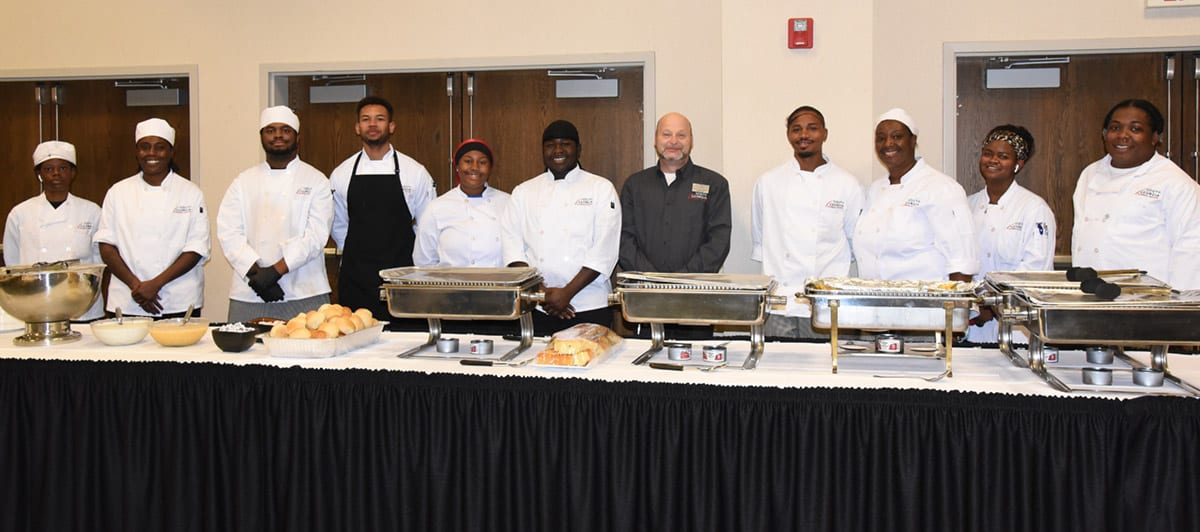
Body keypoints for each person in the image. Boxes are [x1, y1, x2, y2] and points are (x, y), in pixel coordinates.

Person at [751, 106, 865, 339]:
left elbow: (856, 245)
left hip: (826, 302)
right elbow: (761, 239)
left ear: (825, 133)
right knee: (778, 369)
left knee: (824, 369)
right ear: (789, 136)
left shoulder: (847, 184)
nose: (804, 135)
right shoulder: (768, 183)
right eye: (797, 129)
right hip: (780, 300)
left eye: (812, 128)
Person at [501, 120, 620, 335]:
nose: (558, 150)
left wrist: (566, 294)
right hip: (537, 306)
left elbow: (604, 250)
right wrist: (543, 294)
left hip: (588, 304)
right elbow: (512, 247)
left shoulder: (601, 188)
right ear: (543, 151)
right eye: (550, 145)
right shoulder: (523, 192)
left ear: (578, 149)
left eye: (565, 144)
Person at [217, 106, 334, 323]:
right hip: (249, 293)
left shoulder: (316, 180)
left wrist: (275, 272)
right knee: (244, 355)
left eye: (285, 130)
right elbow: (228, 232)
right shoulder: (243, 181)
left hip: (305, 290)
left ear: (297, 137)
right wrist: (257, 276)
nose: (278, 135)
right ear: (261, 136)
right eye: (270, 130)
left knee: (309, 351)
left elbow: (316, 236)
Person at [1073, 99, 1200, 290]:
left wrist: (1180, 309)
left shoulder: (1175, 183)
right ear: (1105, 135)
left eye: (1135, 129)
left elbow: (1191, 252)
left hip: (1148, 302)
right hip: (1091, 295)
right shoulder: (1090, 173)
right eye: (1115, 128)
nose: (1123, 136)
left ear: (1155, 137)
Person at [330, 96, 436, 323]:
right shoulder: (341, 173)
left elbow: (427, 226)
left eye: (379, 119)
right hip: (356, 276)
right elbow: (338, 224)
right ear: (357, 128)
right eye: (366, 119)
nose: (372, 124)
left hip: (401, 276)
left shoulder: (415, 172)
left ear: (391, 126)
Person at [94, 118, 209, 318]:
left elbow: (196, 248)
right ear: (137, 152)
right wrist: (137, 287)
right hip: (128, 298)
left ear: (171, 152)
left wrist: (155, 284)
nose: (152, 154)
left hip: (178, 299)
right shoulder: (118, 192)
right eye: (144, 147)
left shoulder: (190, 193)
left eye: (160, 147)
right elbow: (106, 245)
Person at [853, 108, 978, 282]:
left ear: (913, 140)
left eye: (897, 136)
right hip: (876, 301)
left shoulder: (942, 188)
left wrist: (955, 308)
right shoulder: (875, 190)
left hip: (925, 305)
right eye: (881, 138)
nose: (888, 143)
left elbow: (962, 261)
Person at [965, 125, 1056, 344]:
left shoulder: (1034, 208)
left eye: (1003, 156)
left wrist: (995, 305)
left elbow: (1035, 271)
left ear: (1018, 164)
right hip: (973, 326)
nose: (993, 160)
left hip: (1017, 330)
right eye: (988, 154)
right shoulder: (968, 205)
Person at [3, 140, 104, 320]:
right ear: (39, 174)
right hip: (35, 302)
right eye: (48, 169)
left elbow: (99, 260)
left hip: (81, 304)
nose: (56, 173)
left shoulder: (91, 211)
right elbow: (13, 262)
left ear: (73, 173)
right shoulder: (20, 213)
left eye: (63, 168)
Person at [619, 112, 730, 273]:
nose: (673, 141)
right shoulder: (634, 185)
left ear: (691, 140)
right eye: (666, 134)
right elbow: (624, 238)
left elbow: (719, 240)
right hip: (643, 291)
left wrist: (682, 280)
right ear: (655, 140)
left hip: (695, 291)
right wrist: (651, 279)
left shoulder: (715, 184)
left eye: (681, 135)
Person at [413, 138, 510, 267]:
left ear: (490, 168)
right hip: (452, 286)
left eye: (482, 162)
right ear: (457, 166)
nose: (474, 167)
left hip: (498, 285)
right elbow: (424, 260)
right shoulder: (437, 207)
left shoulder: (508, 203)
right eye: (468, 161)